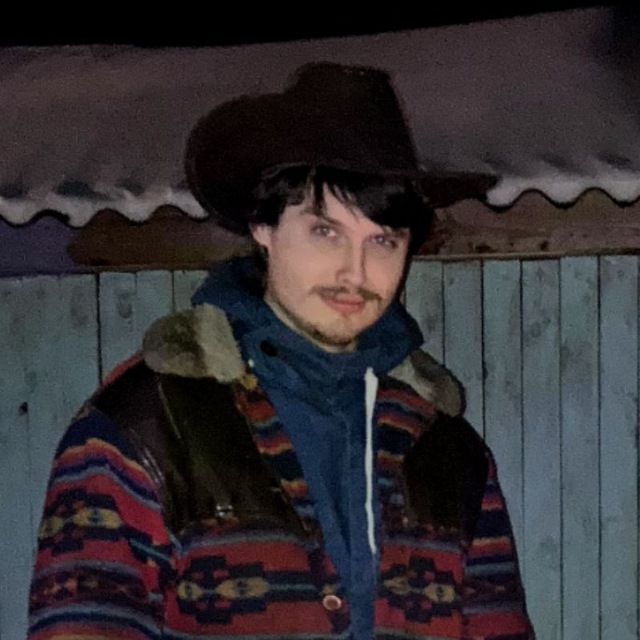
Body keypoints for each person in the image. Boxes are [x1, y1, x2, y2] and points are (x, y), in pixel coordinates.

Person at [28, 63, 533, 639]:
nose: (354, 272)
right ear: (263, 226)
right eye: (325, 232)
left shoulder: (450, 452)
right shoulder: (141, 429)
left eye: (383, 240)